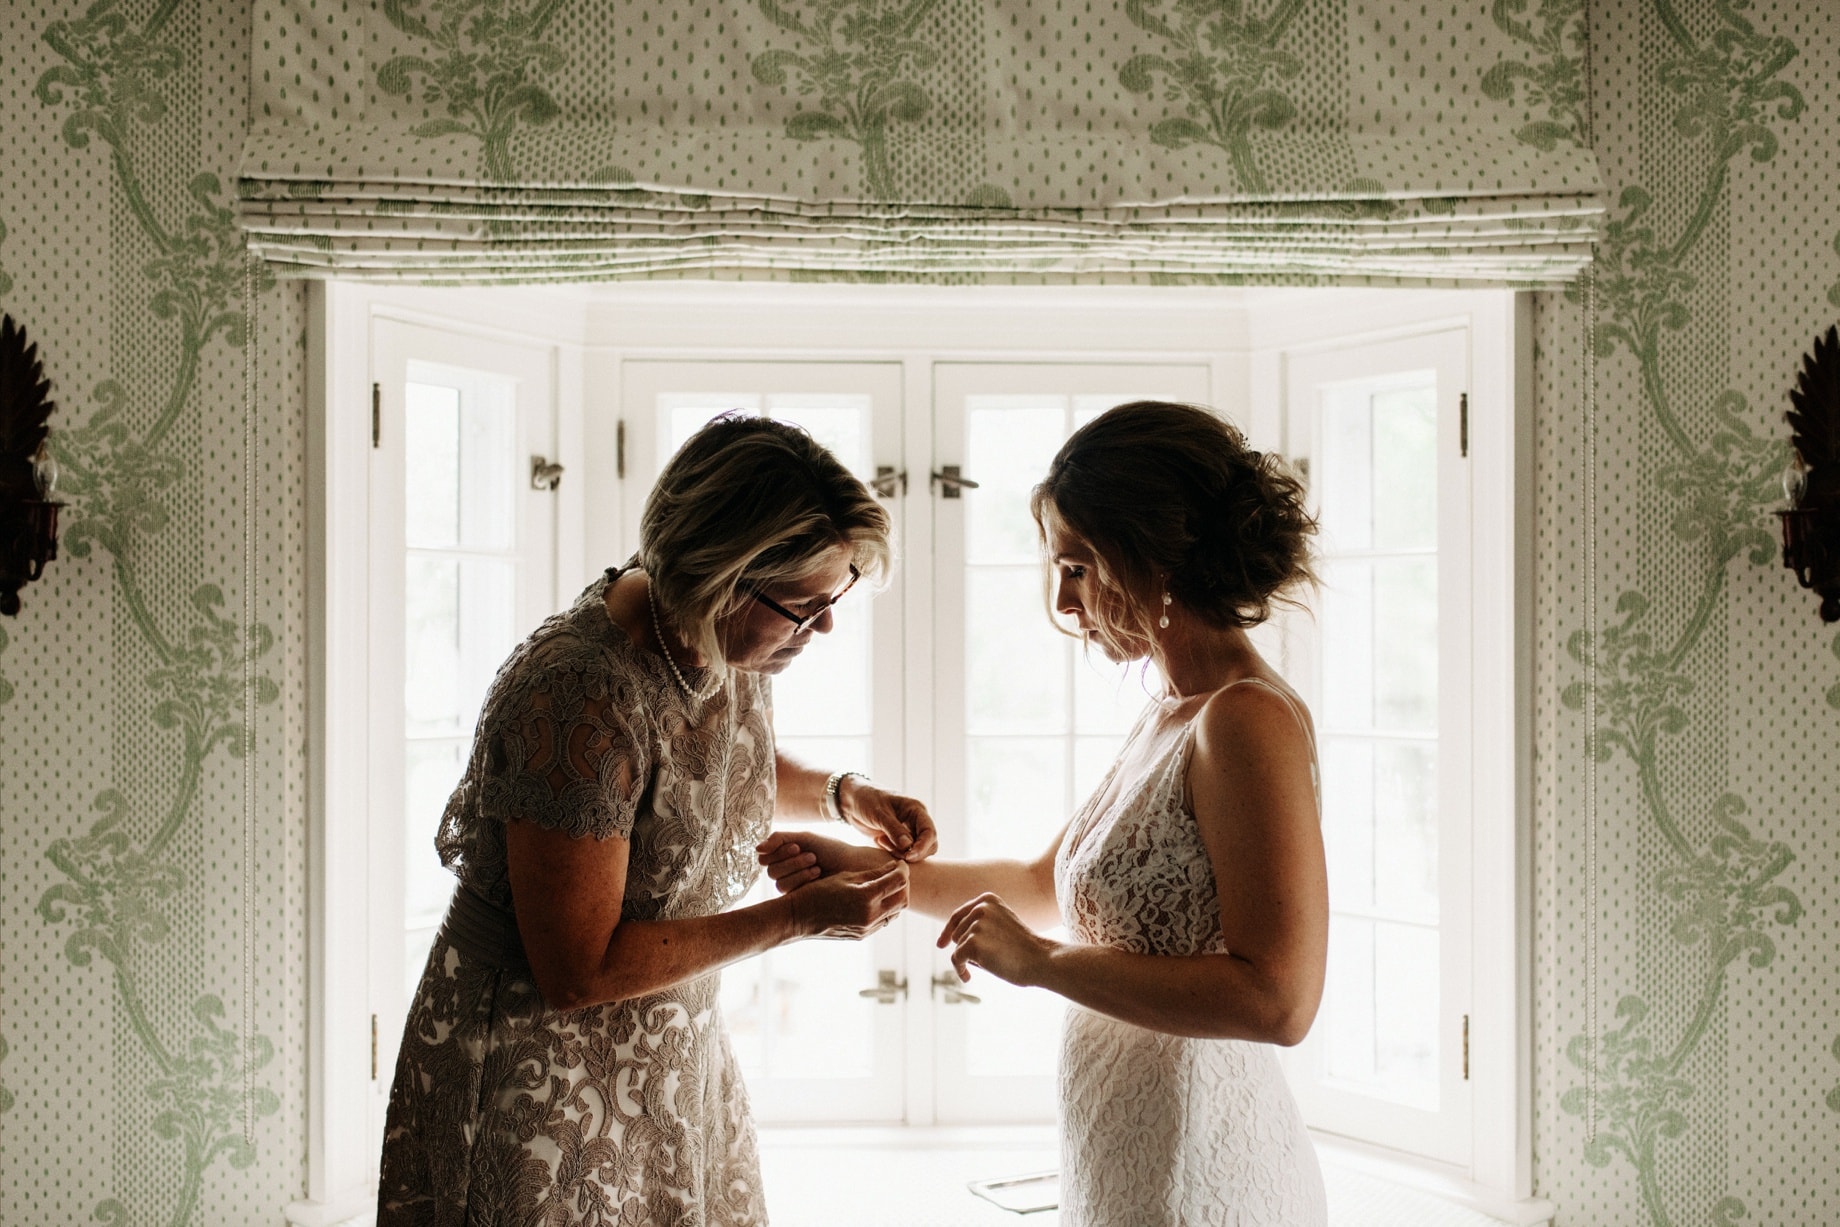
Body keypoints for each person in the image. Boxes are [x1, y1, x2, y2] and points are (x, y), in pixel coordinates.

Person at [761, 401, 1330, 1226]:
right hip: (1126, 1144)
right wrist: (869, 866)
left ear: (1153, 558)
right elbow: (1042, 883)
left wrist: (1041, 966)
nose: (1064, 603)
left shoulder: (1245, 719)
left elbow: (1279, 998)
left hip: (1197, 1162)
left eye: (1078, 566)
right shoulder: (1172, 713)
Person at [378, 413, 935, 1226]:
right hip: (534, 1071)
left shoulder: (720, 636)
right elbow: (578, 968)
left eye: (834, 597)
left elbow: (698, 763)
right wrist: (796, 917)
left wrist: (846, 793)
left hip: (668, 1043)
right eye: (807, 606)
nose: (825, 627)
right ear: (724, 575)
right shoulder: (578, 692)